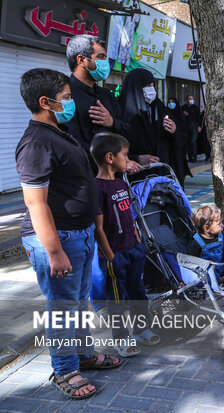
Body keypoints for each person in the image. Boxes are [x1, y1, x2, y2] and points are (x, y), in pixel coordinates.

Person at [16, 68, 121, 400]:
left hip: (80, 235)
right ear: (45, 102)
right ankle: (65, 370)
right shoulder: (35, 142)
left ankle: (83, 355)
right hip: (59, 239)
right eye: (66, 98)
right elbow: (36, 204)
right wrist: (55, 251)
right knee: (63, 307)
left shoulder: (59, 132)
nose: (72, 102)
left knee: (78, 302)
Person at [91, 132, 160, 357]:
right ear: (110, 157)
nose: (127, 159)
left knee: (138, 292)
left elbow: (129, 214)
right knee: (117, 299)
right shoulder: (97, 188)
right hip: (115, 255)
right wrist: (110, 255)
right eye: (125, 155)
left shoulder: (121, 183)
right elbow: (98, 227)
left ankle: (142, 329)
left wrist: (137, 239)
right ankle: (121, 337)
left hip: (133, 249)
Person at [65, 35, 141, 174]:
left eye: (105, 57)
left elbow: (129, 130)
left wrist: (112, 122)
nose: (105, 63)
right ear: (81, 60)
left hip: (115, 179)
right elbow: (73, 144)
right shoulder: (65, 95)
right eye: (100, 57)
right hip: (85, 179)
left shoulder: (106, 95)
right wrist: (114, 164)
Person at [117, 69, 190, 186]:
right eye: (147, 86)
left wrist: (174, 131)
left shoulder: (160, 109)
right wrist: (136, 158)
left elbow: (180, 140)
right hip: (136, 176)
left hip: (162, 174)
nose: (151, 90)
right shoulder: (121, 112)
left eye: (153, 85)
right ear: (135, 87)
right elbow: (114, 146)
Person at [188, 205, 224, 289]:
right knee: (209, 274)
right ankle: (222, 281)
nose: (222, 225)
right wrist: (204, 265)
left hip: (222, 264)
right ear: (207, 228)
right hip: (209, 269)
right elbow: (193, 259)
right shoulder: (196, 243)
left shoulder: (221, 237)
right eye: (219, 224)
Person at [167, 97, 192, 186]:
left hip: (179, 148)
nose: (171, 104)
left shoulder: (181, 116)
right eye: (169, 102)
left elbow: (185, 131)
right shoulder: (166, 115)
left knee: (179, 168)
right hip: (168, 148)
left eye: (173, 102)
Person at [182, 95, 201, 162]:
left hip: (194, 125)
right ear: (187, 100)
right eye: (189, 99)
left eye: (192, 99)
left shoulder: (195, 108)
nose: (191, 100)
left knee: (193, 142)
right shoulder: (183, 107)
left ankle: (195, 156)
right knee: (188, 142)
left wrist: (199, 126)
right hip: (186, 126)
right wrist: (183, 114)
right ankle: (190, 157)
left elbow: (198, 117)